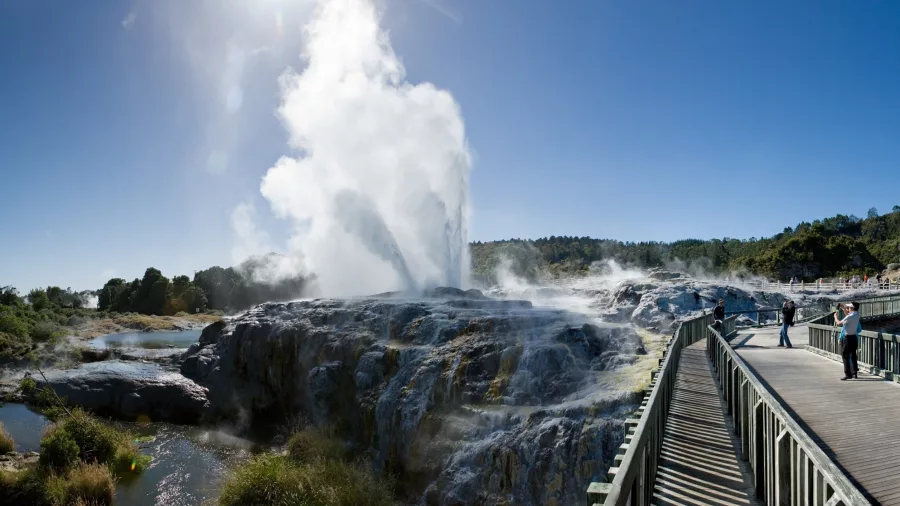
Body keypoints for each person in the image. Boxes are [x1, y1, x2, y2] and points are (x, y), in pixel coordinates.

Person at [835, 302, 861, 380]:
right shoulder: (856, 315)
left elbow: (839, 323)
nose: (848, 309)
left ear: (852, 308)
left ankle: (848, 374)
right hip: (854, 338)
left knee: (845, 356)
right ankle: (854, 373)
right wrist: (843, 307)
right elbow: (848, 315)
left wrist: (835, 317)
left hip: (847, 338)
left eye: (849, 307)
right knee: (853, 355)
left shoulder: (850, 316)